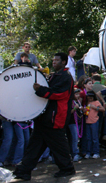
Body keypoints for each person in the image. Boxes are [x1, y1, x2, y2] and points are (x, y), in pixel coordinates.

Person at [13, 52, 75, 181]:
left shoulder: (65, 76)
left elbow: (59, 93)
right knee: (34, 145)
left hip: (55, 118)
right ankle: (24, 170)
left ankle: (67, 168)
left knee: (58, 145)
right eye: (53, 59)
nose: (54, 62)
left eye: (57, 60)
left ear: (63, 62)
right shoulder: (55, 75)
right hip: (46, 117)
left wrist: (40, 90)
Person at [84, 90, 105, 159]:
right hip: (87, 121)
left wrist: (95, 108)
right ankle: (88, 152)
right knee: (88, 138)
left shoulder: (96, 102)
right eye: (88, 97)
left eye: (91, 97)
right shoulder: (87, 102)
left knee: (94, 138)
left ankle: (96, 152)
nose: (89, 99)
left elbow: (103, 109)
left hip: (94, 122)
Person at [68, 88, 83, 162]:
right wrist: (75, 108)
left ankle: (75, 152)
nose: (78, 96)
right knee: (74, 138)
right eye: (76, 94)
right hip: (72, 122)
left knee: (76, 138)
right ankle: (74, 153)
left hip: (78, 122)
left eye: (78, 94)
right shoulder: (70, 102)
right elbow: (68, 112)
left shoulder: (78, 101)